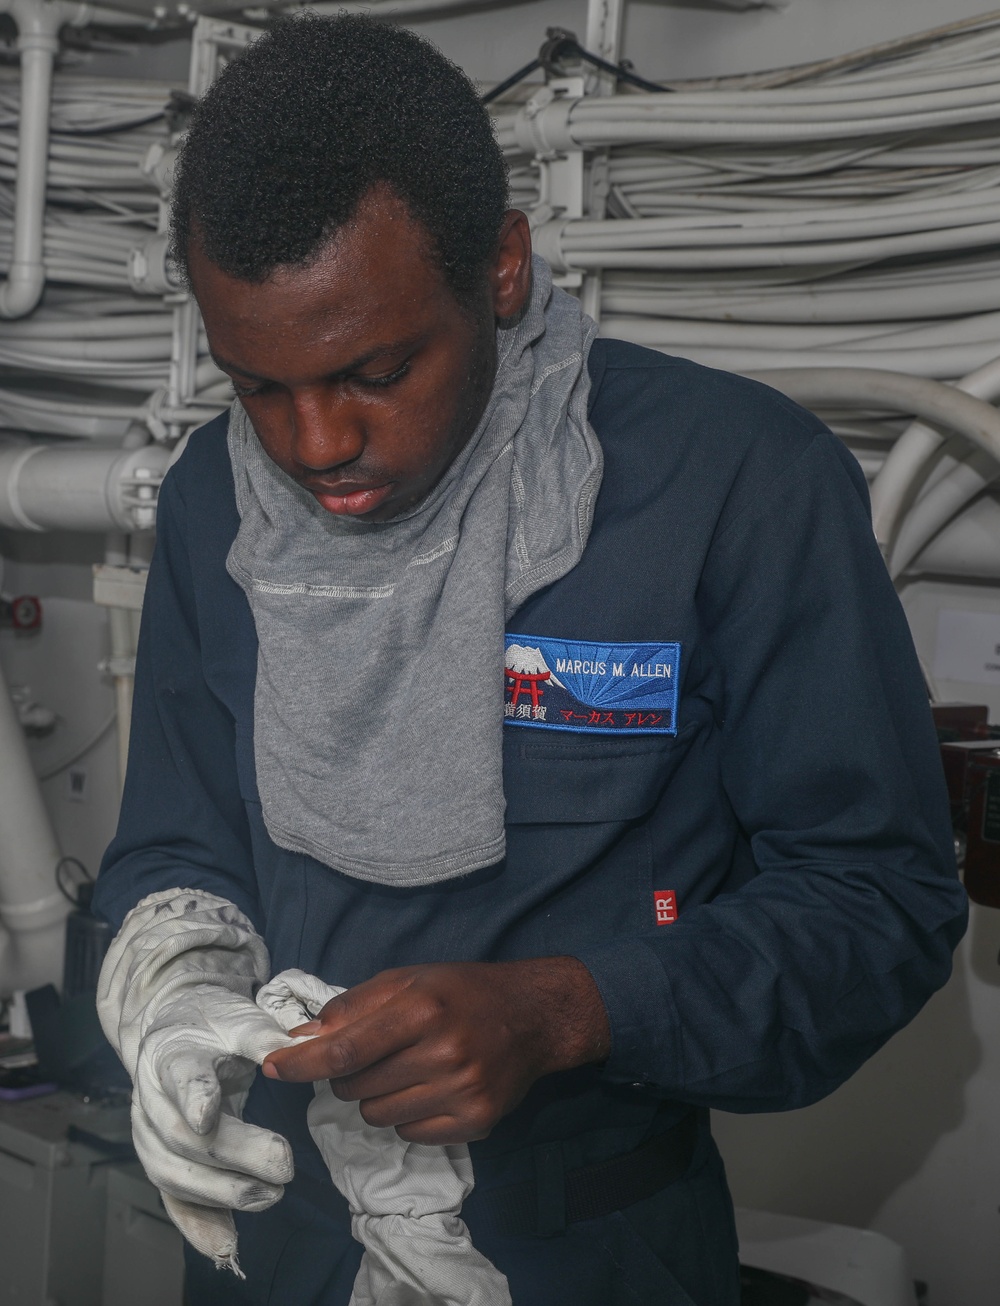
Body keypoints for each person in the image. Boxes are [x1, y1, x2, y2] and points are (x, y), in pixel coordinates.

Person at [93, 14, 967, 1306]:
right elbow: (176, 839)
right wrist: (174, 997)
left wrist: (564, 1009)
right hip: (278, 1227)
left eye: (376, 370)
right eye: (258, 386)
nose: (314, 442)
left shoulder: (731, 481)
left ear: (500, 268)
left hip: (589, 1239)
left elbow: (875, 905)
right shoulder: (217, 501)